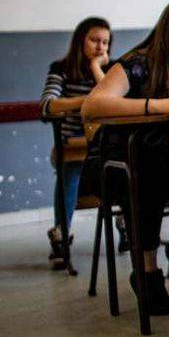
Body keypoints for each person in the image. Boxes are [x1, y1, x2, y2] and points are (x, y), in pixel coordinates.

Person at [82, 0, 169, 315]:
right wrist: (162, 106)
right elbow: (92, 106)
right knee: (149, 163)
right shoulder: (138, 63)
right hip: (120, 164)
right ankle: (146, 270)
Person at [40, 17, 112, 269]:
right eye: (94, 40)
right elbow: (48, 105)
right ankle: (61, 234)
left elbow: (113, 98)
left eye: (105, 42)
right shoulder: (61, 68)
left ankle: (125, 224)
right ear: (80, 41)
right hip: (74, 146)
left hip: (105, 145)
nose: (100, 47)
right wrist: (88, 102)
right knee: (70, 172)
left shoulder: (111, 69)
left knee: (123, 166)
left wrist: (96, 67)